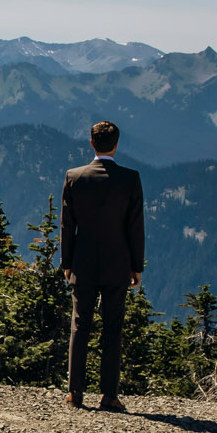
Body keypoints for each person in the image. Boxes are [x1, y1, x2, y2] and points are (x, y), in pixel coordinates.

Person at [60, 119, 145, 412]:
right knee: (112, 328)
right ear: (117, 144)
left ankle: (75, 393)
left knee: (79, 325)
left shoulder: (74, 177)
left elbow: (67, 225)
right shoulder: (130, 179)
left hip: (82, 262)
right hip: (117, 263)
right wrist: (136, 266)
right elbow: (135, 227)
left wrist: (66, 263)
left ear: (92, 143)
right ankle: (109, 395)